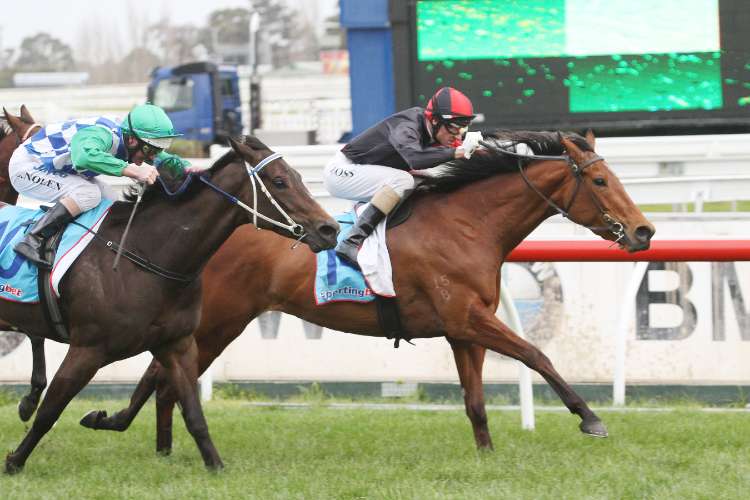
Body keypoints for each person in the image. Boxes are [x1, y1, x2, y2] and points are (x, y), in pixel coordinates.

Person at [9, 103, 191, 268]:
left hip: (56, 168)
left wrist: (189, 169)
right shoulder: (105, 134)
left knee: (110, 198)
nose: (152, 156)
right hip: (28, 166)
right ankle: (33, 238)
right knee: (88, 193)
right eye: (150, 149)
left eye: (157, 149)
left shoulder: (132, 138)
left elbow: (164, 160)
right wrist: (132, 170)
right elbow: (83, 157)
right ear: (132, 140)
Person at [324, 86, 483, 266]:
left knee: (425, 180)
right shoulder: (407, 126)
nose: (458, 135)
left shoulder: (435, 129)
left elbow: (449, 154)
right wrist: (459, 152)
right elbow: (415, 159)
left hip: (363, 169)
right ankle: (351, 241)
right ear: (435, 120)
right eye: (454, 128)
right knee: (403, 180)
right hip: (341, 172)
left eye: (463, 128)